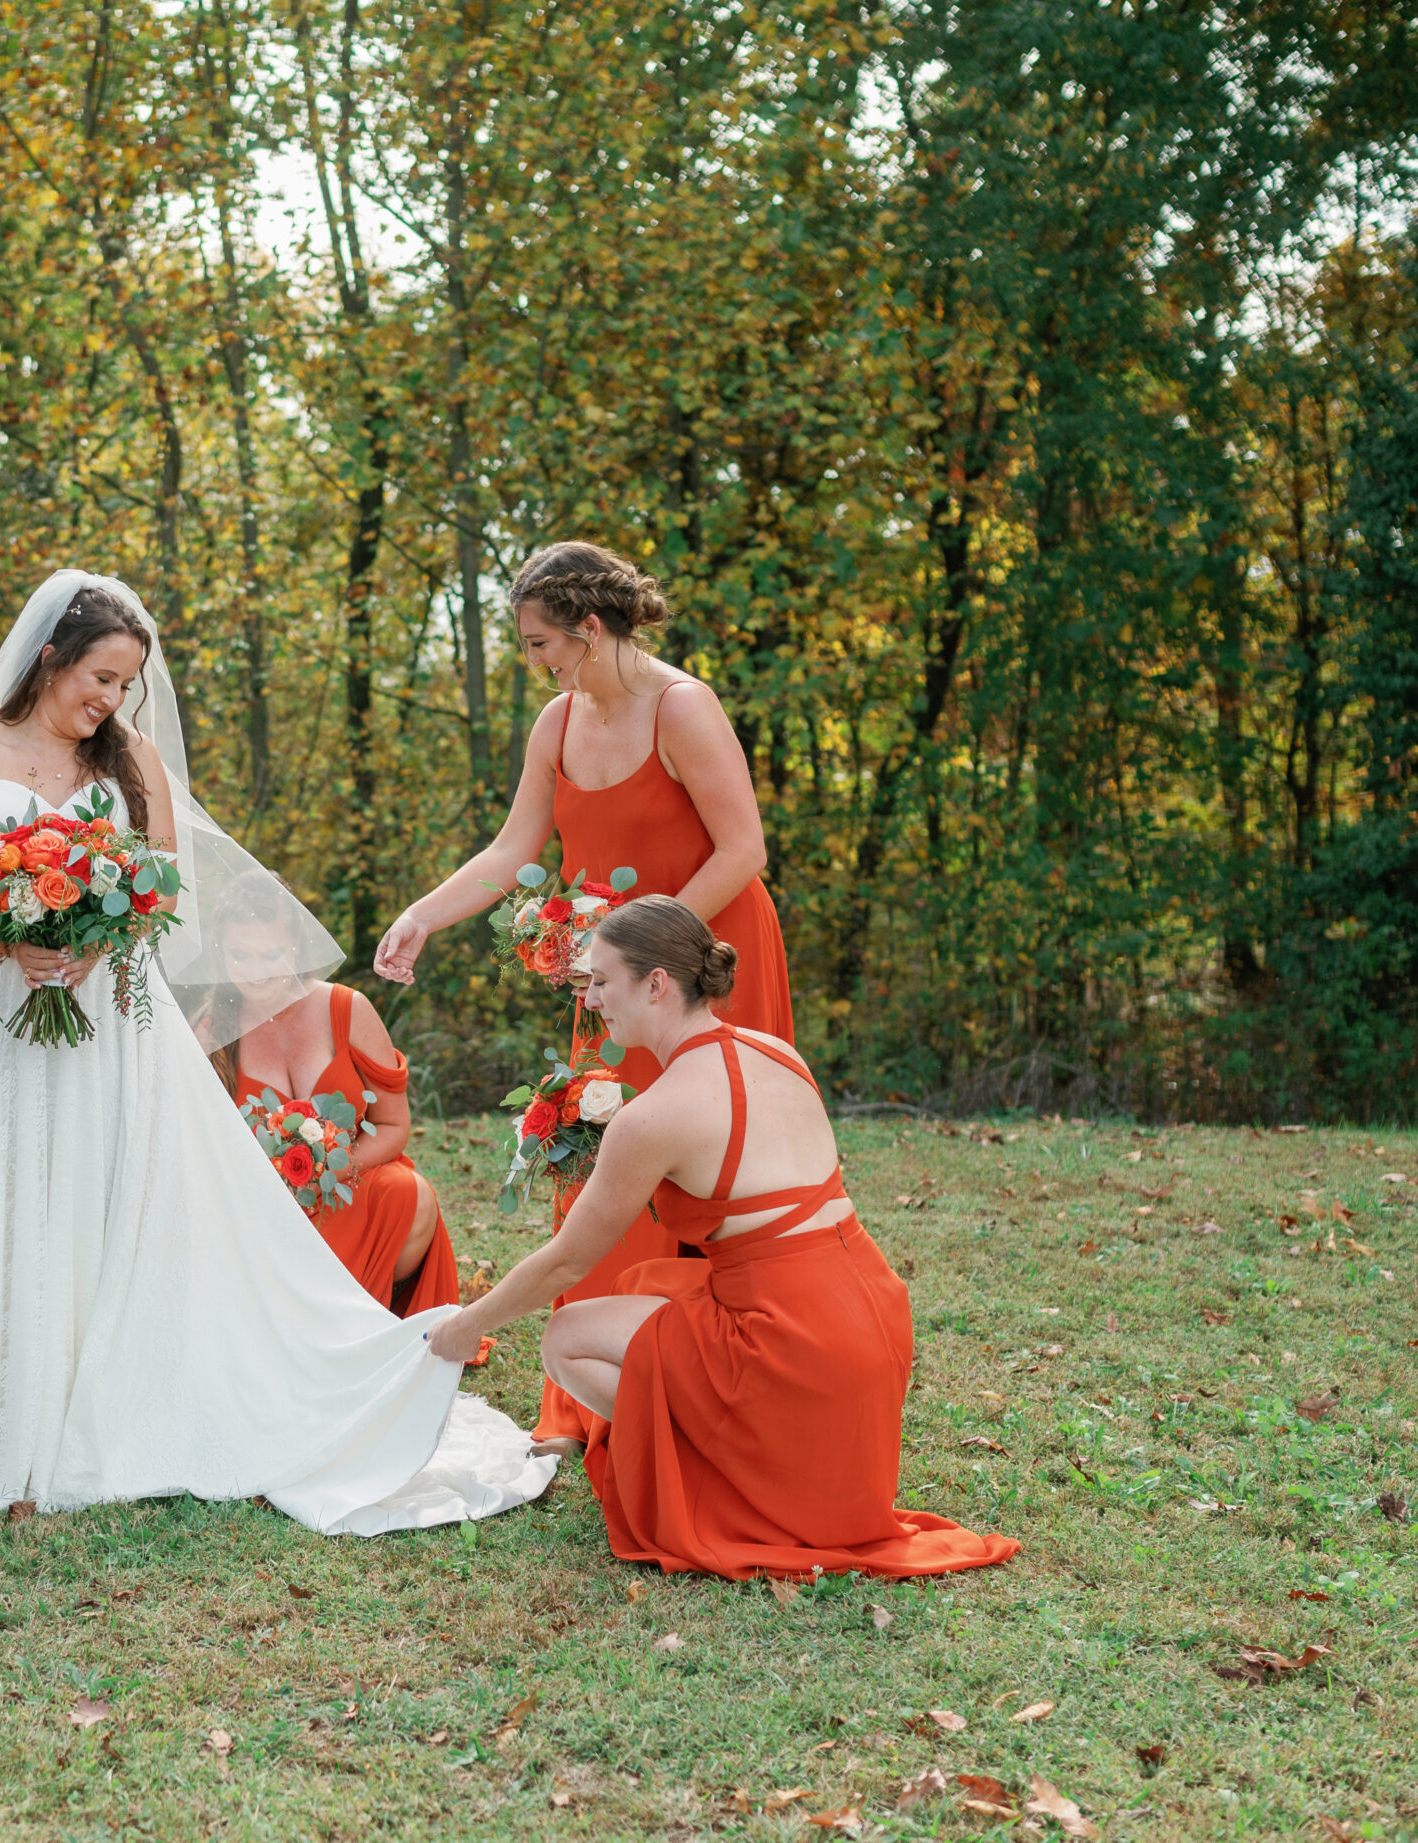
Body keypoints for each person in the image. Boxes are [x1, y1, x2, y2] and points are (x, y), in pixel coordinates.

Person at [0, 571, 555, 1535]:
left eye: (125, 683)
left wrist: (91, 942)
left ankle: (113, 1402)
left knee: (110, 1195)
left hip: (111, 1023)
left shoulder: (129, 763)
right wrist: (8, 939)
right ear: (49, 657)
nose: (110, 700)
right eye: (99, 676)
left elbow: (162, 888)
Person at [425, 897, 1018, 1580]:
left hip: (795, 1342)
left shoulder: (655, 1116)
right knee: (649, 1284)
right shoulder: (779, 1051)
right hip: (874, 1317)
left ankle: (732, 1474)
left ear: (655, 983)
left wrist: (469, 1324)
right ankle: (765, 1451)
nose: (589, 998)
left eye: (602, 980)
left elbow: (569, 1259)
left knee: (566, 1340)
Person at [373, 542, 796, 1449]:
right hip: (616, 982)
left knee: (716, 1161)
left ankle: (739, 1378)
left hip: (709, 957)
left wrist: (644, 944)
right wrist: (424, 915)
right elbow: (509, 849)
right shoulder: (558, 725)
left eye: (539, 645)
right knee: (598, 1146)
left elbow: (743, 851)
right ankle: (586, 1397)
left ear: (590, 629)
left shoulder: (682, 707)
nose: (535, 665)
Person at [210, 900, 458, 1315]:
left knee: (406, 1192)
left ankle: (369, 1319)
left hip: (346, 1186)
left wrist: (323, 1175)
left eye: (270, 954)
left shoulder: (346, 1008)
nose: (255, 972)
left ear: (295, 947)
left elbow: (394, 1125)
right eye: (239, 955)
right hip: (260, 1208)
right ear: (220, 953)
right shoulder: (211, 1029)